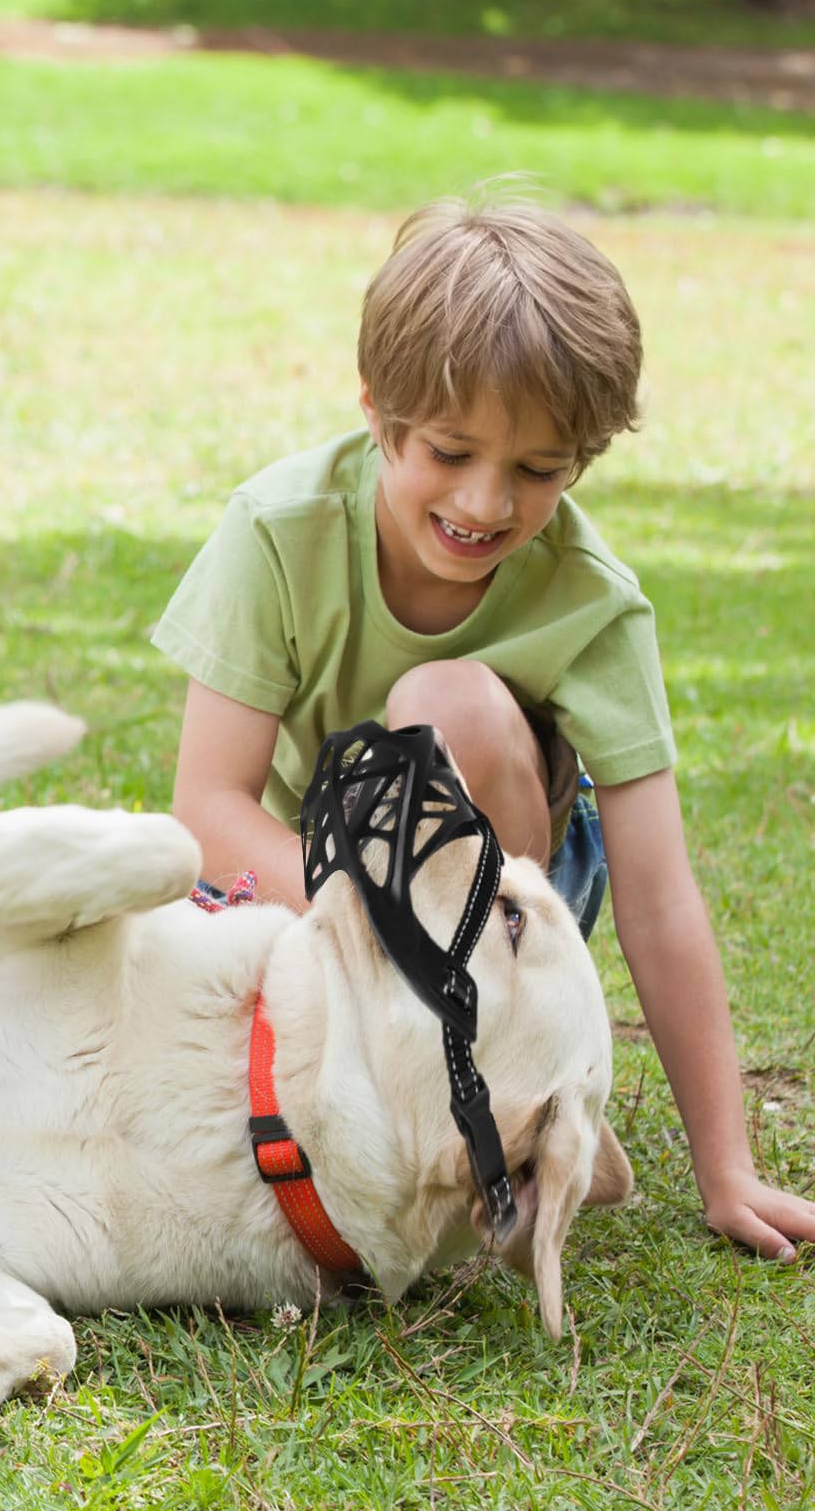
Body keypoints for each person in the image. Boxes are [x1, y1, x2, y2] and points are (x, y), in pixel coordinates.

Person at [153, 192, 815, 1263]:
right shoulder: (278, 530)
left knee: (440, 705)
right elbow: (209, 804)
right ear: (377, 412)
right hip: (313, 872)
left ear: (582, 461)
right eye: (451, 451)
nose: (485, 501)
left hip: (511, 898)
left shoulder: (591, 600)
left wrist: (725, 1168)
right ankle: (407, 1024)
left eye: (538, 470)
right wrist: (361, 932)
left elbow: (657, 893)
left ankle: (486, 1038)